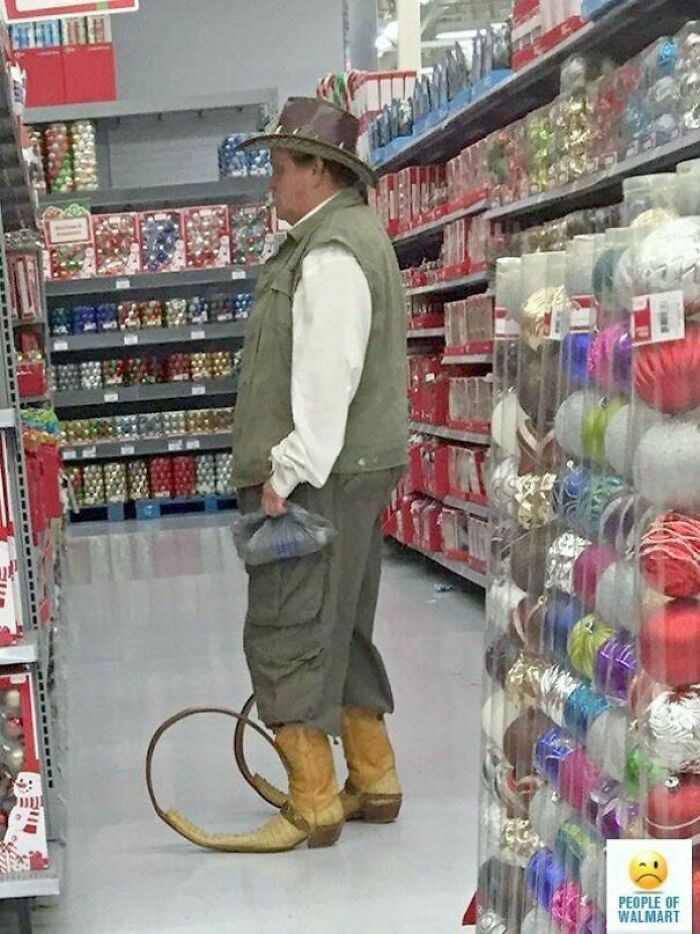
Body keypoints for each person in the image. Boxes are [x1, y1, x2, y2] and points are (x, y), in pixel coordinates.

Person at [225, 97, 408, 853]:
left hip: (320, 474)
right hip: (356, 465)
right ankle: (373, 775)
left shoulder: (331, 252)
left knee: (291, 628)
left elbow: (326, 377)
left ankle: (312, 801)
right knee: (341, 626)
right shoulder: (344, 237)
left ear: (318, 171)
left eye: (279, 168)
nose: (271, 183)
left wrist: (287, 471)